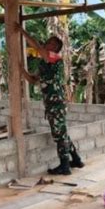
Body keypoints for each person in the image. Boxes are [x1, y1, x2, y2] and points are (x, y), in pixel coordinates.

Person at [17, 24, 84, 175]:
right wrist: (21, 70)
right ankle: (76, 160)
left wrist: (22, 31)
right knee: (62, 133)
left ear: (56, 48)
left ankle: (65, 166)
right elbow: (33, 80)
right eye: (47, 42)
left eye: (50, 43)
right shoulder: (44, 63)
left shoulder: (55, 58)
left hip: (56, 103)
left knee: (59, 135)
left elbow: (37, 47)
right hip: (52, 104)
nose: (46, 44)